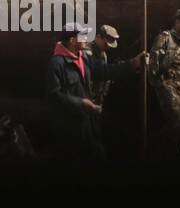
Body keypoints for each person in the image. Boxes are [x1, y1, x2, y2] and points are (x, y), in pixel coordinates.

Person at [45, 23, 142, 162]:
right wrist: (81, 103)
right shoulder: (57, 64)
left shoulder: (83, 58)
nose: (86, 39)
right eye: (82, 36)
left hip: (89, 122)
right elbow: (53, 96)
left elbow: (103, 71)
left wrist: (132, 64)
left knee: (98, 156)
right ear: (73, 40)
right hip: (71, 128)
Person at [149, 9, 180, 135]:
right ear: (178, 21)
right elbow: (153, 69)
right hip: (168, 88)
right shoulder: (165, 38)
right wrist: (163, 88)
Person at [86, 23, 122, 107]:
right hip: (87, 98)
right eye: (106, 44)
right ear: (98, 37)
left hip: (97, 97)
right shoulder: (87, 51)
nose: (108, 48)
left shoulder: (103, 54)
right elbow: (97, 71)